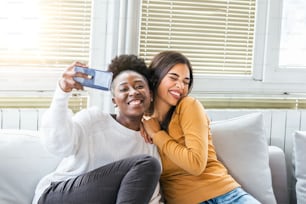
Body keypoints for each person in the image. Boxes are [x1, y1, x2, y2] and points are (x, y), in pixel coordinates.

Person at [32, 55, 163, 204]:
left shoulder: (149, 142)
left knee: (150, 165)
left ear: (151, 95)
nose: (133, 92)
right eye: (124, 88)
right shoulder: (93, 119)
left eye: (139, 86)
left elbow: (150, 198)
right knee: (148, 164)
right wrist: (62, 92)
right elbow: (58, 145)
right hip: (57, 196)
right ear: (114, 100)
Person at [142, 51, 261, 204]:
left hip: (224, 197)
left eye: (186, 82)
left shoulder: (188, 106)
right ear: (155, 78)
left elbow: (195, 165)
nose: (180, 86)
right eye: (173, 77)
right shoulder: (144, 123)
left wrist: (158, 134)